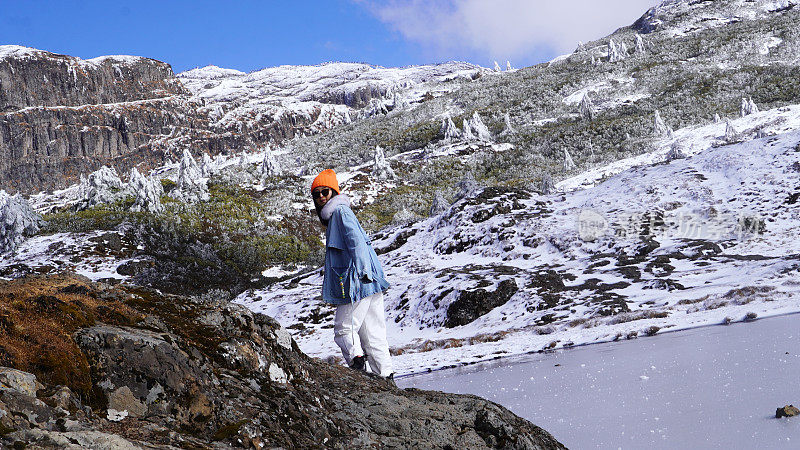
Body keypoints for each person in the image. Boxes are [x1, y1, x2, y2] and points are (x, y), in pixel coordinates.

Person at [311, 169, 394, 378]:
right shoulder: (340, 213)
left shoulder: (339, 212)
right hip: (370, 282)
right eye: (317, 193)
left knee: (343, 329)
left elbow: (356, 243)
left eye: (325, 192)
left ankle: (358, 370)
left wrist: (363, 272)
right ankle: (386, 377)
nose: (321, 196)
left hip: (357, 281)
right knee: (372, 334)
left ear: (333, 192)